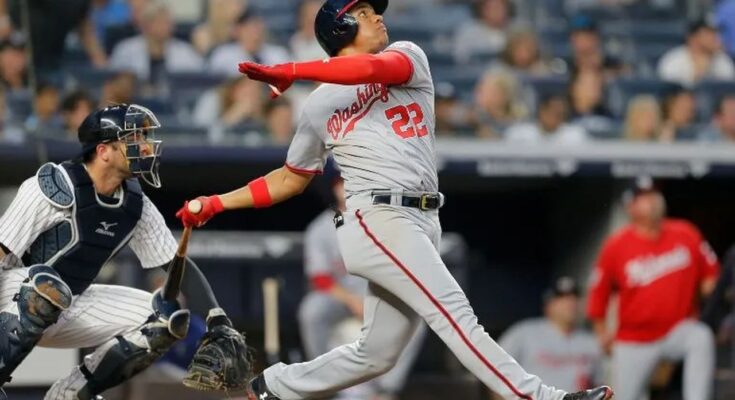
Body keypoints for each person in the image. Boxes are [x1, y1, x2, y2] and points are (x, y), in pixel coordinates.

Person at [176, 1, 613, 399]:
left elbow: (366, 72)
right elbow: (290, 179)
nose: (378, 16)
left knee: (377, 354)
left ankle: (271, 386)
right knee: (455, 313)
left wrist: (294, 69)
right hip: (378, 215)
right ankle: (544, 397)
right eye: (364, 13)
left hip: (422, 216)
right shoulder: (317, 105)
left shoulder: (407, 54)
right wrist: (217, 201)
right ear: (341, 26)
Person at [0, 103, 249, 399]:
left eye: (144, 137)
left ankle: (72, 394)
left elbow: (175, 264)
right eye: (134, 139)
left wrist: (217, 318)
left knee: (164, 317)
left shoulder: (134, 203)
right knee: (45, 288)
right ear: (103, 151)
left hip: (69, 302)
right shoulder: (55, 185)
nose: (145, 147)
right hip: (14, 294)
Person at [299, 166, 426, 400]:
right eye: (342, 183)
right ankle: (323, 383)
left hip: (378, 296)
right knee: (312, 310)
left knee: (416, 314)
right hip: (341, 298)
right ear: (334, 188)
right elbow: (320, 279)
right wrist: (352, 301)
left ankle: (387, 390)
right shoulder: (321, 228)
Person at [586, 177, 719, 400]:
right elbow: (599, 291)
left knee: (700, 337)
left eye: (654, 194)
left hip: (676, 330)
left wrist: (712, 304)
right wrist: (601, 333)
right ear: (631, 207)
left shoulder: (685, 233)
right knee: (626, 396)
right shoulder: (616, 245)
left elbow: (711, 278)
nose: (654, 200)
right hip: (634, 339)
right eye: (645, 197)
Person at [499, 277, 602, 393]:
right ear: (548, 305)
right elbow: (497, 372)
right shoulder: (524, 332)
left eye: (574, 297)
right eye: (562, 297)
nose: (570, 302)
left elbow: (600, 385)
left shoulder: (591, 341)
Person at [109, 0, 203, 85]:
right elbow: (113, 82)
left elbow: (199, 81)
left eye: (168, 22)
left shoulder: (186, 53)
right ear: (145, 25)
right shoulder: (125, 51)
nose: (166, 27)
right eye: (160, 22)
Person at [207, 10, 290, 78]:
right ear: (237, 31)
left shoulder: (278, 53)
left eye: (258, 28)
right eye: (249, 29)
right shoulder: (223, 55)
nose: (255, 34)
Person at [657, 17, 735, 87]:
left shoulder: (723, 59)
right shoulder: (674, 60)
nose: (715, 38)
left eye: (716, 33)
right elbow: (670, 96)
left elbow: (729, 93)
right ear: (692, 37)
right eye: (709, 33)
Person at [504, 94, 588, 144]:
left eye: (559, 113)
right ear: (541, 112)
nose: (554, 116)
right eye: (550, 110)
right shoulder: (519, 133)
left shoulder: (575, 135)